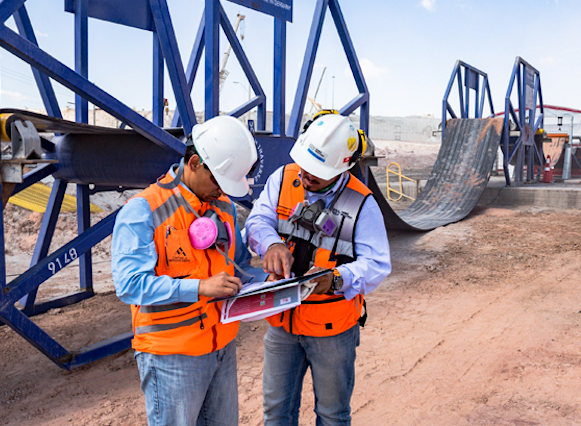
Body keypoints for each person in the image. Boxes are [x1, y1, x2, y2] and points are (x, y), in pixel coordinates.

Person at [111, 115, 265, 426]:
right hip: (171, 356)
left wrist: (277, 283)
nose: (222, 191)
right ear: (194, 163)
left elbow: (240, 267)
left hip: (220, 347)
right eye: (218, 182)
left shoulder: (223, 208)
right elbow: (130, 285)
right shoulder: (143, 211)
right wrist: (199, 287)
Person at [245, 111, 391, 426]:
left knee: (332, 416)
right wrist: (270, 243)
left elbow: (377, 263)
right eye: (306, 166)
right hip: (282, 322)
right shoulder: (283, 178)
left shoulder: (361, 204)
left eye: (318, 172)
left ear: (342, 167)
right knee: (276, 413)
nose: (307, 176)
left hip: (332, 330)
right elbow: (258, 220)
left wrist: (335, 280)